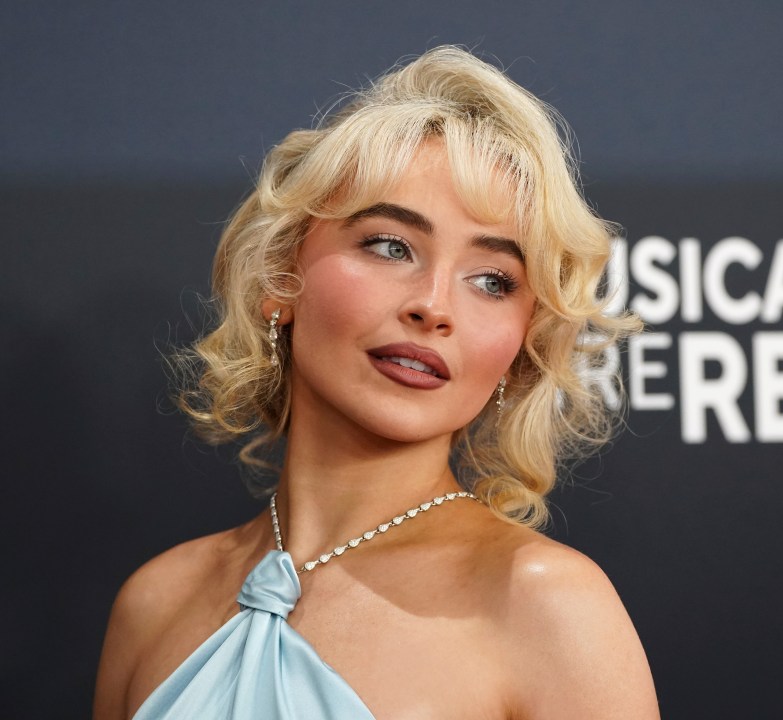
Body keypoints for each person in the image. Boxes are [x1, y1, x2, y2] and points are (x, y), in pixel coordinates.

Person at [93, 46, 659, 719]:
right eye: (391, 245)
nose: (434, 306)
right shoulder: (154, 603)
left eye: (492, 281)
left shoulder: (548, 608)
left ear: (521, 347)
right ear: (281, 277)